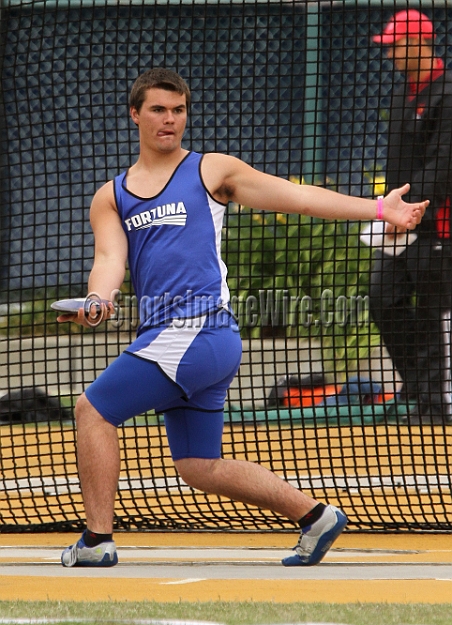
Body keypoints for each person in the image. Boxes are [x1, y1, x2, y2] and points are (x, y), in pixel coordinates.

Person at [58, 68, 426, 568]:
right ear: (135, 115)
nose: (170, 120)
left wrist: (380, 209)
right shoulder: (112, 196)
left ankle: (97, 540)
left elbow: (297, 197)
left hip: (199, 329)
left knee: (92, 410)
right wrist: (98, 300)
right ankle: (315, 516)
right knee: (198, 465)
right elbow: (108, 261)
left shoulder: (212, 171)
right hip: (186, 341)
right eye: (158, 110)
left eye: (178, 110)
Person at [371, 9, 452, 425]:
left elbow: (443, 165)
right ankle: (422, 393)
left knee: (433, 309)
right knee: (383, 299)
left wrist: (407, 208)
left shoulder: (448, 92)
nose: (391, 55)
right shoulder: (404, 92)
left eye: (396, 46)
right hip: (401, 222)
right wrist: (391, 209)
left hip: (438, 224)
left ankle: (436, 405)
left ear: (420, 42)